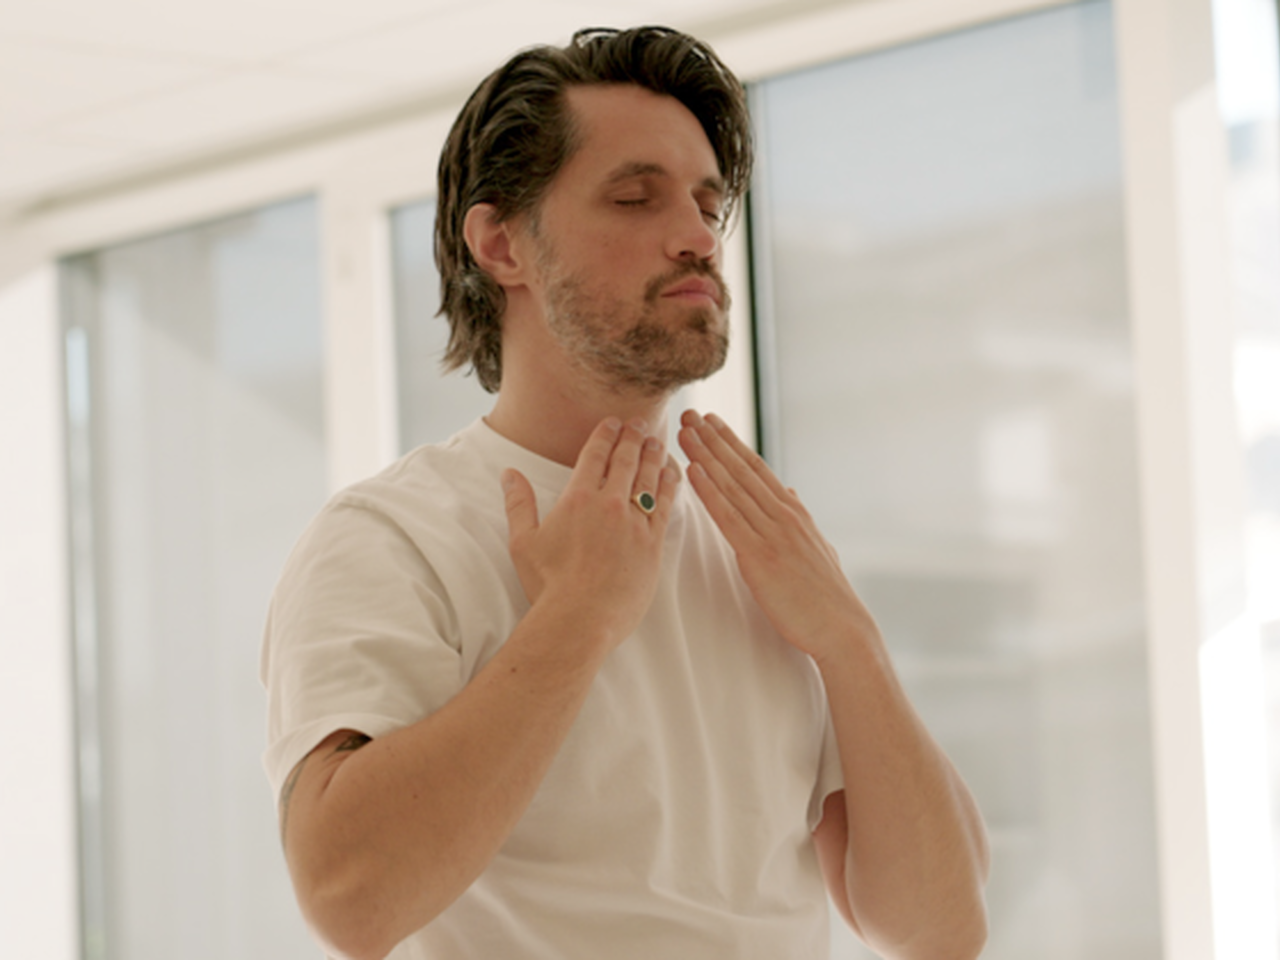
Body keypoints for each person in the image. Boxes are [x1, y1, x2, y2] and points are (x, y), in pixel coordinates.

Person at [262, 25, 989, 960]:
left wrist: (850, 643)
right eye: (636, 198)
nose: (698, 237)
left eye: (707, 204)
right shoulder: (389, 537)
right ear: (502, 244)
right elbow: (350, 899)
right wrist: (578, 620)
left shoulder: (758, 545)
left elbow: (941, 930)